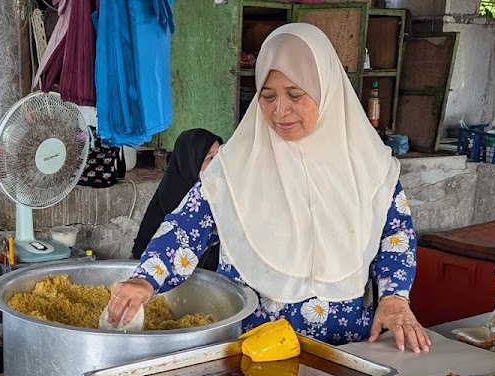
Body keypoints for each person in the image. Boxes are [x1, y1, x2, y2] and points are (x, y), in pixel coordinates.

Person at [107, 23, 430, 352]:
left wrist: (394, 298)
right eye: (268, 96)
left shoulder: (372, 167)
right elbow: (186, 229)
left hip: (346, 351)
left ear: (327, 90)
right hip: (254, 353)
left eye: (295, 95)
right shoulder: (235, 169)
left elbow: (396, 238)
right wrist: (145, 279)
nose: (280, 110)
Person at [131, 129, 223, 270]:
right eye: (210, 158)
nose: (218, 164)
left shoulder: (222, 195)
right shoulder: (169, 205)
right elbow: (146, 261)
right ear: (190, 162)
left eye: (221, 156)